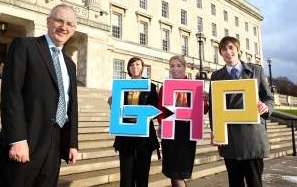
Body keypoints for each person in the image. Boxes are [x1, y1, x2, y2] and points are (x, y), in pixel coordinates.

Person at [0, 4, 79, 187]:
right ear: (49, 22)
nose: (64, 27)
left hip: (55, 143)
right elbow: (11, 95)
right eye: (59, 20)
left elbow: (71, 105)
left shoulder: (70, 64)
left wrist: (72, 142)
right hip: (27, 138)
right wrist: (17, 139)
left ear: (73, 29)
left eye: (69, 24)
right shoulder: (25, 46)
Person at [209, 36, 274, 187]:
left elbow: (269, 98)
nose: (228, 52)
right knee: (235, 183)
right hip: (229, 140)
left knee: (254, 183)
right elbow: (214, 108)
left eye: (231, 47)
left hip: (252, 138)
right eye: (224, 49)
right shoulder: (216, 76)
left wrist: (266, 107)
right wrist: (215, 131)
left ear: (238, 50)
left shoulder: (256, 70)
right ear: (220, 53)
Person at [157, 55, 208, 187]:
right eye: (172, 66)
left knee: (179, 174)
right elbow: (161, 110)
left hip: (186, 134)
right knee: (171, 173)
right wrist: (161, 124)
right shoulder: (165, 87)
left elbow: (203, 110)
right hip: (170, 133)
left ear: (185, 68)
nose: (175, 69)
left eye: (179, 65)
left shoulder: (196, 86)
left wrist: (206, 100)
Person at [113, 56, 160, 187]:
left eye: (138, 64)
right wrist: (113, 103)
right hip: (126, 136)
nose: (135, 67)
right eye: (132, 65)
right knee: (126, 176)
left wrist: (150, 114)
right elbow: (118, 111)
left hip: (144, 138)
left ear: (142, 68)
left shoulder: (150, 86)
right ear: (128, 69)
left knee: (142, 176)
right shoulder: (122, 87)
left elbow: (156, 107)